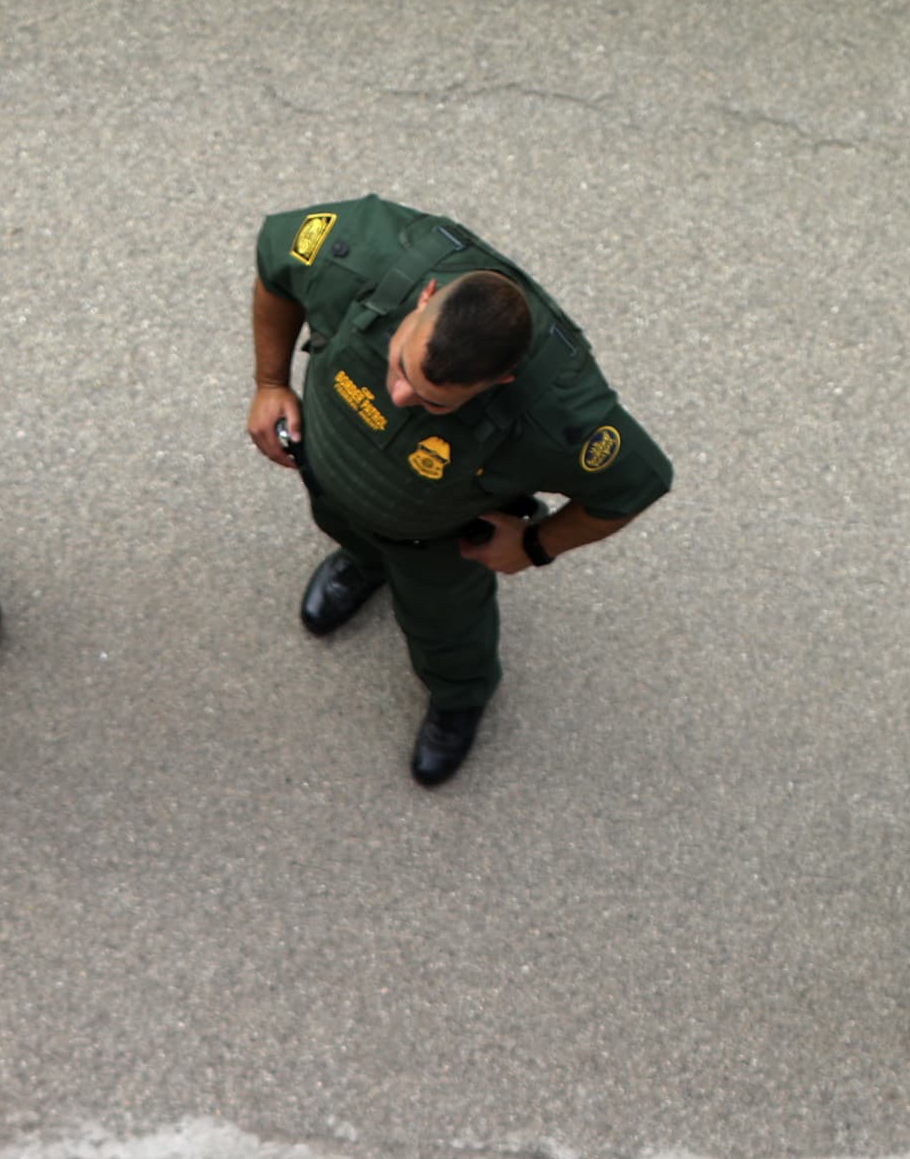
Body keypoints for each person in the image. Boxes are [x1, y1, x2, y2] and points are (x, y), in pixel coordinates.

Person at [247, 196, 673, 787]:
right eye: (400, 365)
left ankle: (459, 698)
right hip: (331, 471)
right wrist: (270, 383)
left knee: (446, 630)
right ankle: (364, 562)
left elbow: (635, 485)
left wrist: (534, 547)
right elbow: (276, 263)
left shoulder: (561, 411)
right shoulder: (366, 254)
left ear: (501, 381)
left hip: (434, 544)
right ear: (423, 299)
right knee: (341, 521)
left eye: (431, 402)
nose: (400, 394)